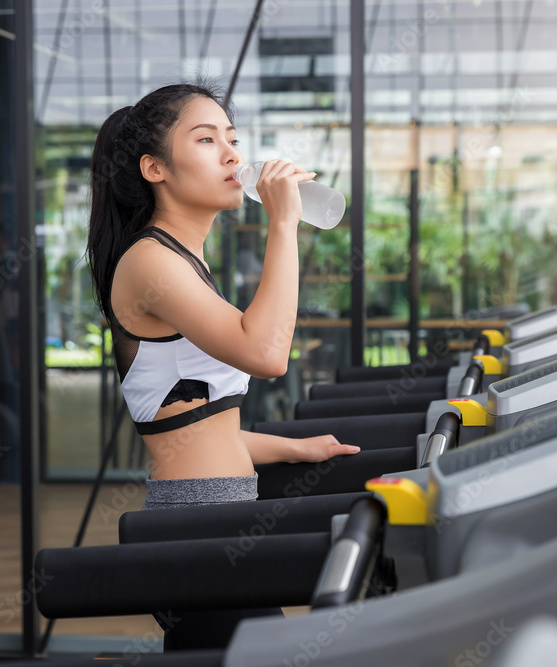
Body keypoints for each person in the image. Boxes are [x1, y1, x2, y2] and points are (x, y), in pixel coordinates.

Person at [86, 82, 361, 650]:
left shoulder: (184, 261)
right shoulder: (149, 262)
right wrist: (283, 226)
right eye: (207, 139)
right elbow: (265, 355)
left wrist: (294, 447)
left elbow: (198, 432)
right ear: (154, 168)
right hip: (196, 526)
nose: (234, 155)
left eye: (233, 139)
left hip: (219, 516)